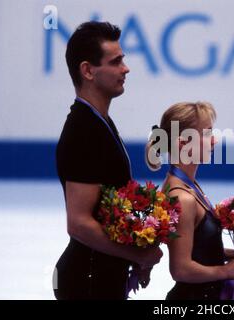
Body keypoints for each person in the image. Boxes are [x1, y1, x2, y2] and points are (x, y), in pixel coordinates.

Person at [54, 21, 162, 300]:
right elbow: (78, 223)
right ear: (88, 70)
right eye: (116, 62)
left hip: (98, 275)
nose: (125, 69)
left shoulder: (98, 122)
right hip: (87, 281)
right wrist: (138, 254)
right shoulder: (83, 131)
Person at [145, 102, 234, 300]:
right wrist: (226, 271)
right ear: (183, 142)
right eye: (207, 134)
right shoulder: (181, 197)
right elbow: (181, 269)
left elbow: (197, 248)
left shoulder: (189, 185)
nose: (214, 140)